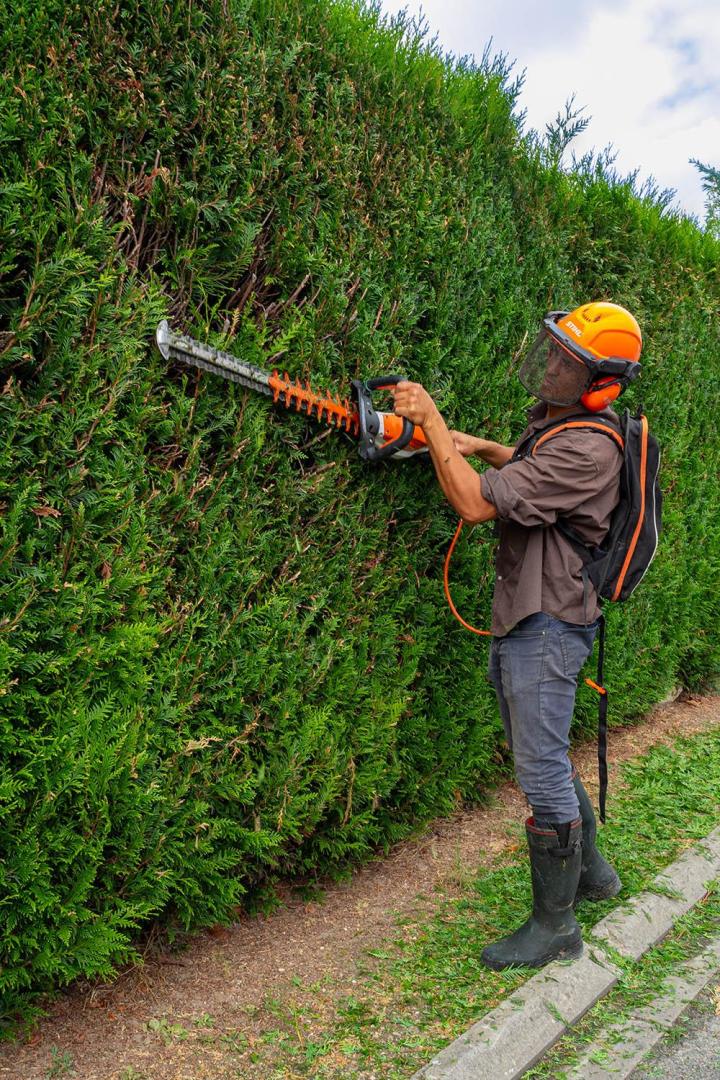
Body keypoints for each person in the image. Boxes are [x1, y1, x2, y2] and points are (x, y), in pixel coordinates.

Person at [390, 301, 643, 970]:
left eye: (567, 360)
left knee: (538, 769)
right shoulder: (574, 429)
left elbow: (476, 504)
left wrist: (433, 422)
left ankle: (556, 927)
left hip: (549, 621)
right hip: (535, 613)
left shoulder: (590, 443)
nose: (551, 364)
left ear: (602, 383)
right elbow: (529, 475)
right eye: (553, 350)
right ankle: (593, 877)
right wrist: (482, 448)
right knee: (549, 755)